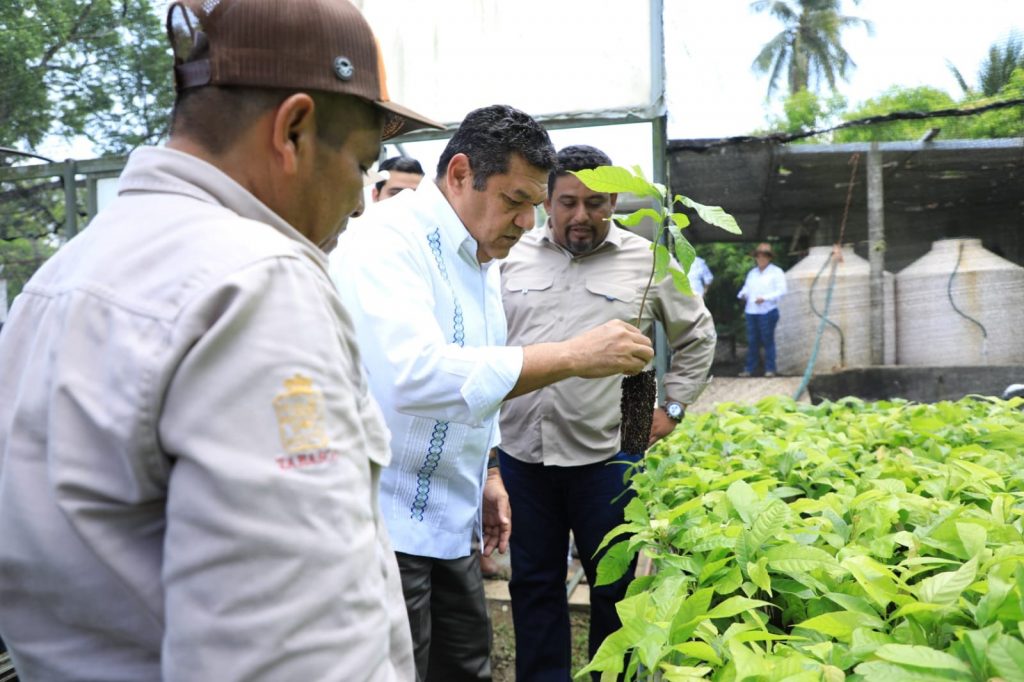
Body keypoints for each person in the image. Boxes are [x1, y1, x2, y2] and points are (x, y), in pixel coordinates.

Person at [0, 1, 444, 679]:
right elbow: (293, 652)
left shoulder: (59, 280)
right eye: (360, 163)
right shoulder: (257, 283)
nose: (361, 203)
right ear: (293, 129)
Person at [330, 107, 655, 682]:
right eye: (514, 200)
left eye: (533, 203)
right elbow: (417, 374)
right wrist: (573, 356)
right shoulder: (388, 241)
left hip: (450, 524)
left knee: (465, 665)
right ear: (460, 174)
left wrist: (488, 471)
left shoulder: (480, 257)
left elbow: (479, 375)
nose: (528, 221)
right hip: (385, 528)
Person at [496, 145, 717, 680]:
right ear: (548, 201)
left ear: (614, 200)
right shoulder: (511, 256)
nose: (580, 216)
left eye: (595, 203)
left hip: (607, 457)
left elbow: (697, 335)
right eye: (567, 202)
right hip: (524, 455)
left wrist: (674, 407)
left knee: (613, 590)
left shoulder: (648, 261)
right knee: (533, 583)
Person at [737, 242, 787, 377]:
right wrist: (742, 294)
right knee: (752, 341)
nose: (761, 259)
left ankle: (770, 369)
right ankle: (749, 369)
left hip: (768, 311)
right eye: (759, 256)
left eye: (764, 256)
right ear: (756, 257)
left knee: (768, 340)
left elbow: (782, 291)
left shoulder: (776, 272)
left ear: (769, 257)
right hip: (751, 311)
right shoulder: (752, 273)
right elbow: (746, 288)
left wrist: (765, 298)